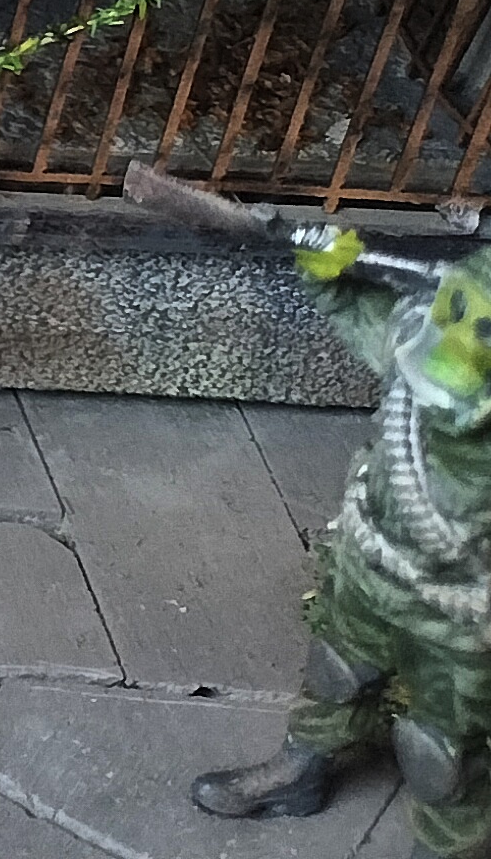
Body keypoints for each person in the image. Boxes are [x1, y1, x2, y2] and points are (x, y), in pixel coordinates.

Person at [192, 244, 491, 858]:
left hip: (462, 620)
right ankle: (301, 770)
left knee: (440, 752)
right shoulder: (419, 341)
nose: (459, 342)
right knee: (334, 671)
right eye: (459, 312)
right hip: (371, 570)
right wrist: (325, 267)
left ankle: (448, 850)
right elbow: (360, 312)